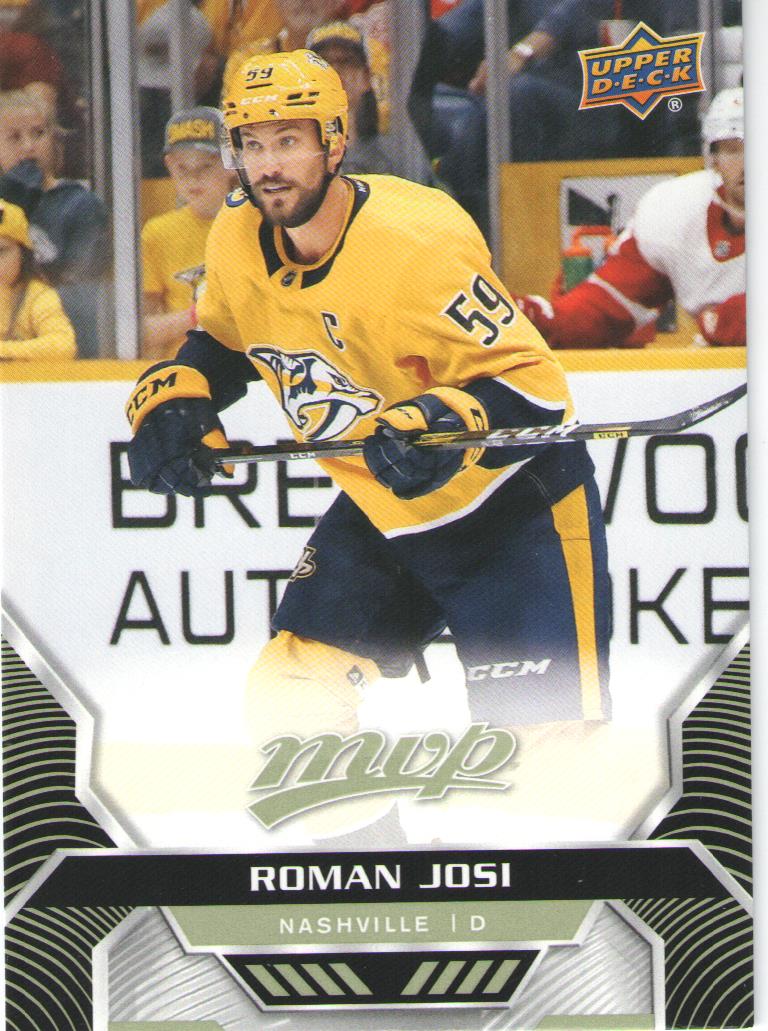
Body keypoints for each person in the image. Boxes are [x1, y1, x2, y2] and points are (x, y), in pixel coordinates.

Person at [124, 52, 610, 775]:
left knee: (547, 766)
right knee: (289, 702)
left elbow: (537, 389)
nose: (268, 166)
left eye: (288, 140)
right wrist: (176, 393)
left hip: (514, 512)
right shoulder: (234, 233)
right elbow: (225, 340)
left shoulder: (417, 240)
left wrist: (438, 422)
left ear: (334, 142)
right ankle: (372, 850)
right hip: (386, 507)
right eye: (252, 144)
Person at [516, 88, 746, 349]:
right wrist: (535, 317)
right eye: (733, 149)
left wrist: (729, 321)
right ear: (712, 158)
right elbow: (604, 307)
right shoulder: (676, 208)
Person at [0, 90, 109, 357]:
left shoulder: (81, 205)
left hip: (66, 348)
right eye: (14, 137)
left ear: (54, 139)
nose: (28, 146)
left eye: (38, 133)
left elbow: (79, 291)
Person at [141, 107, 235, 358]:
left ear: (231, 163)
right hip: (184, 365)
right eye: (182, 167)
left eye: (205, 166)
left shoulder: (257, 223)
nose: (193, 178)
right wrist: (199, 314)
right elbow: (142, 333)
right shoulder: (157, 233)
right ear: (169, 166)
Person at [305, 20, 399, 175]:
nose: (334, 70)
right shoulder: (296, 156)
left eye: (346, 61)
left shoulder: (393, 156)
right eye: (323, 63)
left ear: (366, 77)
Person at [0, 198, 76, 360]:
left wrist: (5, 350)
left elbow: (64, 346)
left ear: (23, 254)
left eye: (1, 251)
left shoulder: (38, 296)